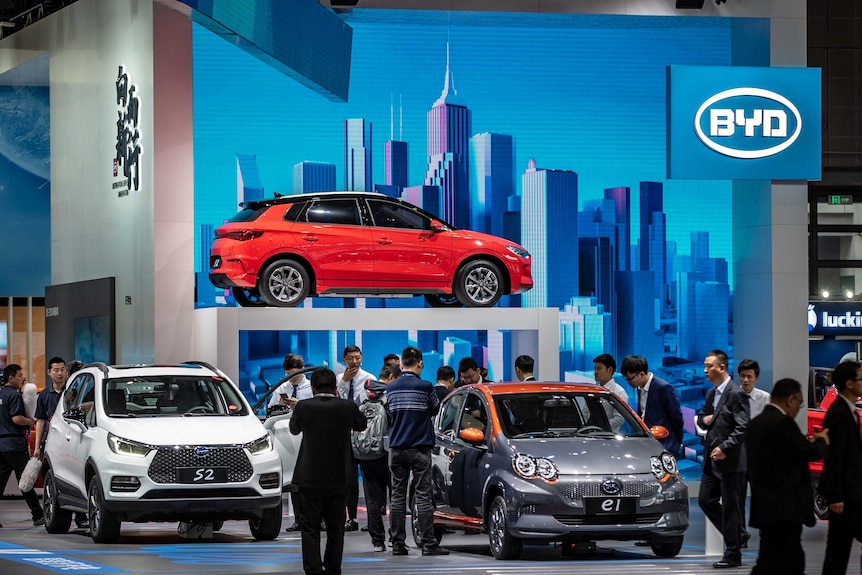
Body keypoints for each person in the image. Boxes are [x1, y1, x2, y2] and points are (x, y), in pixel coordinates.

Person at [745, 378, 829, 575]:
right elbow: (806, 451)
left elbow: (784, 452)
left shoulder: (756, 424)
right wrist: (822, 442)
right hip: (784, 506)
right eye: (799, 403)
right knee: (779, 559)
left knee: (783, 558)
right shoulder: (782, 423)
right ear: (790, 399)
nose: (799, 409)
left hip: (765, 505)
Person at [289, 367, 365, 575]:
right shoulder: (347, 406)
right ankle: (333, 568)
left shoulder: (304, 407)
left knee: (310, 528)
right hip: (339, 477)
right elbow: (362, 424)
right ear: (334, 387)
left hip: (309, 477)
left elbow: (294, 429)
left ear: (312, 388)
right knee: (335, 528)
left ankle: (313, 570)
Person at [386, 346, 448, 556]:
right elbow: (435, 409)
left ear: (401, 364)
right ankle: (428, 543)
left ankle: (397, 544)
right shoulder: (425, 386)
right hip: (420, 449)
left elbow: (389, 414)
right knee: (422, 496)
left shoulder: (391, 388)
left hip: (396, 448)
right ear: (420, 363)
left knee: (397, 497)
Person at [696, 349, 750, 569]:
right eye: (705, 366)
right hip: (712, 460)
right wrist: (704, 418)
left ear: (722, 367)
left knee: (731, 507)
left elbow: (743, 426)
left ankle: (733, 553)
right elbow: (701, 418)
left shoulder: (736, 393)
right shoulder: (711, 394)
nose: (706, 370)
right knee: (705, 500)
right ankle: (738, 533)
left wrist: (726, 448)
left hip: (731, 461)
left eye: (709, 366)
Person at [33, 357, 88, 529]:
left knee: (74, 474)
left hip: (71, 440)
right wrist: (36, 447)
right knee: (51, 476)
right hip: (52, 442)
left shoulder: (73, 392)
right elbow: (40, 421)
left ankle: (80, 516)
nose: (60, 373)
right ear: (49, 372)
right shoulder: (43, 395)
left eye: (62, 369)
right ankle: (55, 514)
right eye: (56, 370)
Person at [819, 360, 862, 575]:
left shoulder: (847, 411)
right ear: (849, 384)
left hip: (849, 494)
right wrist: (835, 496)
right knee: (837, 549)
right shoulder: (839, 413)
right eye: (860, 379)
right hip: (845, 496)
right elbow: (835, 458)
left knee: (838, 549)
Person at [356, 364, 398, 550]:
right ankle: (395, 539)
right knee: (395, 498)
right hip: (388, 453)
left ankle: (377, 542)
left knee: (372, 500)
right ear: (391, 377)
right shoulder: (392, 396)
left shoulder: (362, 394)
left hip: (366, 454)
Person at [271, 354, 313, 533]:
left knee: (311, 481)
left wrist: (300, 405)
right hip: (288, 438)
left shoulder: (311, 387)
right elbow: (270, 410)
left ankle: (316, 519)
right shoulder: (281, 387)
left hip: (310, 436)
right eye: (288, 373)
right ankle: (299, 519)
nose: (291, 378)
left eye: (294, 374)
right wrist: (281, 405)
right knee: (294, 480)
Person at [0, 364, 45, 527]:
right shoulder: (14, 396)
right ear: (11, 377)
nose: (22, 378)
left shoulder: (1, 394)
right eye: (19, 375)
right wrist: (30, 421)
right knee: (26, 481)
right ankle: (38, 515)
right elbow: (16, 418)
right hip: (14, 445)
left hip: (1, 445)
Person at [336, 345, 374, 532]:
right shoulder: (338, 379)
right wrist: (344, 381)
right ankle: (350, 518)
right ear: (344, 359)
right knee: (348, 480)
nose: (355, 362)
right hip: (344, 435)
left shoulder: (370, 378)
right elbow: (338, 402)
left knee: (369, 478)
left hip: (364, 434)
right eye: (351, 358)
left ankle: (373, 518)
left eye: (358, 357)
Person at [620, 355, 683, 456]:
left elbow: (676, 417)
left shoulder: (663, 387)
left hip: (665, 444)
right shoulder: (639, 387)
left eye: (630, 379)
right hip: (647, 443)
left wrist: (678, 441)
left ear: (641, 374)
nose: (628, 382)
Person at [736, 358, 769, 545]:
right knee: (737, 498)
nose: (745, 380)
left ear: (756, 378)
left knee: (761, 498)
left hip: (758, 459)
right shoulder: (732, 397)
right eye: (742, 376)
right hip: (738, 457)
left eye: (749, 376)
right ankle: (740, 535)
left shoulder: (765, 399)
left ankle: (766, 533)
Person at [593, 353, 629, 432]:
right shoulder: (593, 390)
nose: (596, 372)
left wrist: (601, 427)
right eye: (595, 368)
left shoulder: (619, 392)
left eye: (599, 369)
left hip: (609, 435)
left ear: (609, 370)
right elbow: (585, 412)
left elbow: (619, 419)